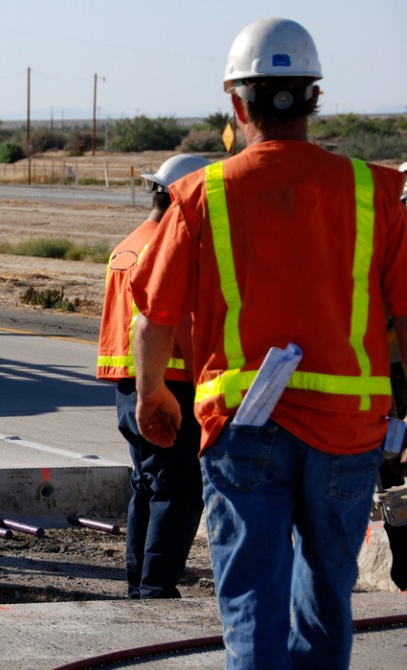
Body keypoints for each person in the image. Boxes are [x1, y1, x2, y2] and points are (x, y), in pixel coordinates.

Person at [130, 18, 407, 668]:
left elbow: (152, 319)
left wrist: (152, 398)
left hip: (244, 428)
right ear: (314, 98)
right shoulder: (374, 191)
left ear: (236, 102)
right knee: (328, 601)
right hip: (348, 431)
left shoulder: (201, 195)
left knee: (254, 604)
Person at [97, 154, 210, 599]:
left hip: (131, 387)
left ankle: (140, 584)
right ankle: (157, 589)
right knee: (179, 490)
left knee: (146, 486)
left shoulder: (128, 244)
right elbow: (174, 323)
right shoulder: (169, 247)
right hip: (171, 386)